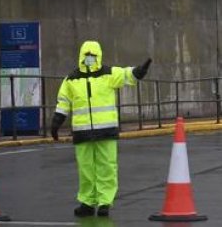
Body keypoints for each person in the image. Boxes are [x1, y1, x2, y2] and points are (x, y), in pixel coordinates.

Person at [52, 41, 152, 217]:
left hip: (106, 131)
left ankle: (105, 202)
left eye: (93, 57)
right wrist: (57, 120)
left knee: (107, 167)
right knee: (86, 169)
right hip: (82, 132)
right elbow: (63, 101)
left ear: (98, 57)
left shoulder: (108, 74)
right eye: (87, 56)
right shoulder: (71, 79)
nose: (90, 59)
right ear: (82, 57)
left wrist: (139, 71)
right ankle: (88, 203)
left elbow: (126, 75)